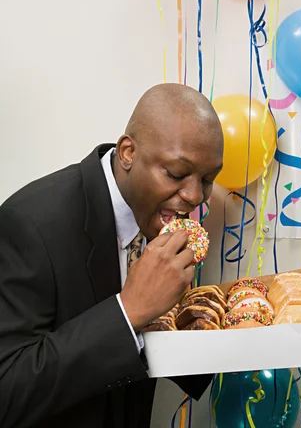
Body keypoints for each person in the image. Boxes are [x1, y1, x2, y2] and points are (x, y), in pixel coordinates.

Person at [0, 83, 224, 428]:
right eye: (177, 174)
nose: (196, 196)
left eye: (208, 179)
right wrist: (129, 310)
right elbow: (7, 388)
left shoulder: (166, 222)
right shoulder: (30, 224)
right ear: (128, 152)